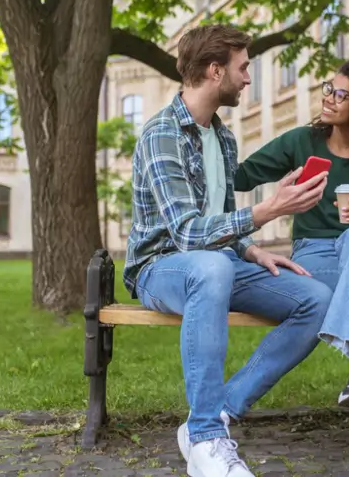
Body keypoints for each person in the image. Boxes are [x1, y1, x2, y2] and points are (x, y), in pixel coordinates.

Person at [123, 24, 335, 477]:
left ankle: (219, 411)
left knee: (316, 300)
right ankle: (204, 439)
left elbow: (219, 220)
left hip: (216, 263)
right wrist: (264, 211)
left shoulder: (223, 137)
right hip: (160, 268)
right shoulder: (162, 134)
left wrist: (252, 250)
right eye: (243, 68)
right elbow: (185, 232)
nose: (247, 79)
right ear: (215, 70)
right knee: (211, 269)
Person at [233, 59, 349, 464]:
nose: (328, 98)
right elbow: (239, 176)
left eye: (340, 94)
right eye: (327, 89)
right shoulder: (302, 142)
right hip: (314, 254)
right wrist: (276, 199)